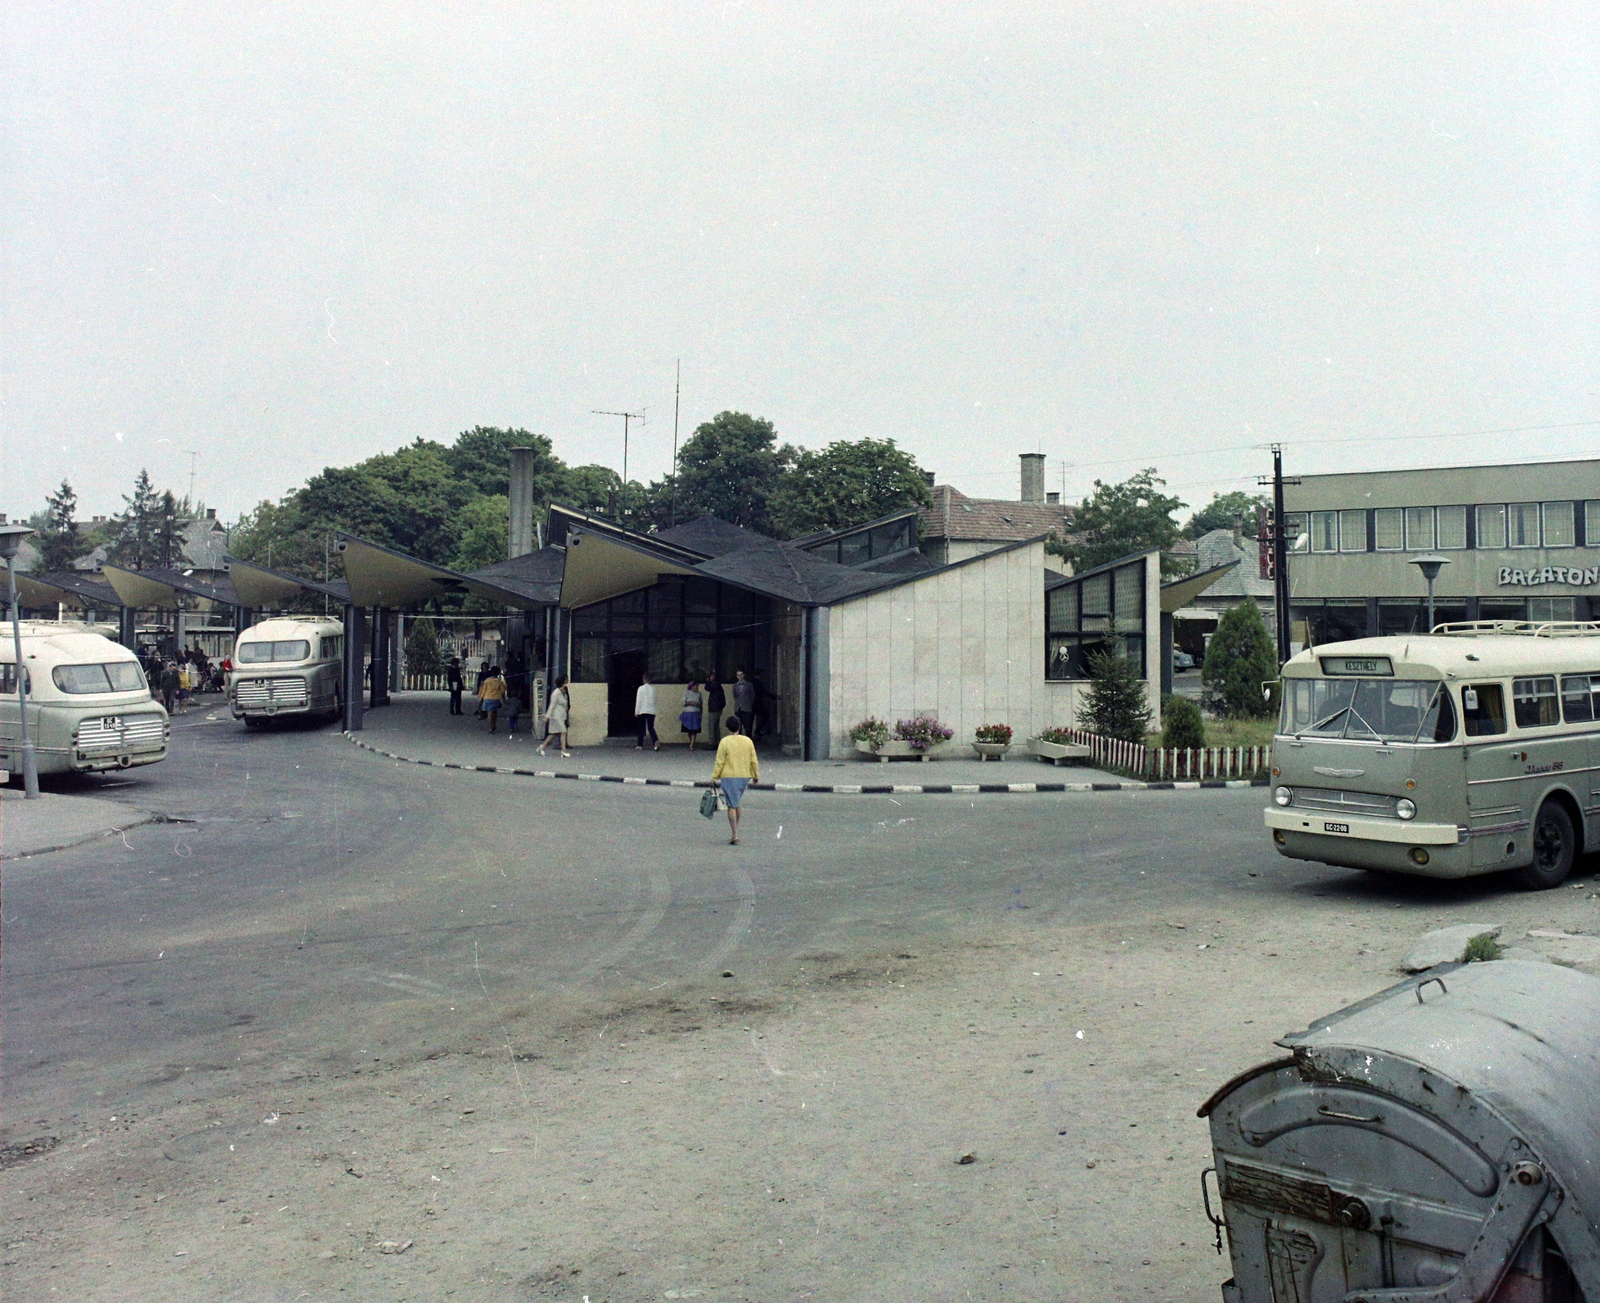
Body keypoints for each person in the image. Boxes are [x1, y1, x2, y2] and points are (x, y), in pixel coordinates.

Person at [710, 714, 759, 845]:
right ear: (740, 727)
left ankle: (735, 835)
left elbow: (719, 761)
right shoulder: (747, 741)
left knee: (731, 805)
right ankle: (736, 829)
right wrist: (755, 775)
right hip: (744, 776)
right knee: (736, 802)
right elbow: (753, 760)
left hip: (729, 776)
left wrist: (714, 776)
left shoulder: (724, 742)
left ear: (728, 728)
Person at [539, 674, 571, 757]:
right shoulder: (556, 693)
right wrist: (547, 716)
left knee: (553, 734)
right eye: (566, 679)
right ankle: (563, 751)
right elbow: (552, 705)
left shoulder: (564, 692)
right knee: (563, 731)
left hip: (561, 715)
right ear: (563, 681)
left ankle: (542, 747)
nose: (567, 680)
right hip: (556, 716)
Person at [634, 671, 658, 750]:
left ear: (644, 679)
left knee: (641, 727)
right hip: (651, 710)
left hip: (642, 710)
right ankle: (655, 741)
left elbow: (639, 701)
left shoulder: (641, 688)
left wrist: (636, 711)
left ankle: (640, 745)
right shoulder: (653, 689)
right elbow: (655, 700)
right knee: (650, 727)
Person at [478, 665, 506, 732]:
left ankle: (491, 726)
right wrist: (503, 698)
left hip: (487, 698)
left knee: (489, 713)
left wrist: (481, 698)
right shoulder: (499, 681)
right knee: (494, 712)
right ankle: (494, 724)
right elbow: (503, 691)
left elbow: (483, 690)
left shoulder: (487, 681)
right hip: (496, 698)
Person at [680, 680, 704, 750]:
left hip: (696, 712)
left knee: (694, 730)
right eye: (696, 686)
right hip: (688, 713)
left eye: (698, 686)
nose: (697, 687)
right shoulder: (686, 693)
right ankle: (691, 741)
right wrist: (690, 703)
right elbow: (683, 703)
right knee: (689, 730)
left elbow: (701, 703)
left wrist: (699, 706)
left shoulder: (699, 694)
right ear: (692, 686)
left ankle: (691, 744)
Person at [732, 669, 756, 738]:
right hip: (738, 708)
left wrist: (749, 704)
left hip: (747, 708)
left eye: (741, 674)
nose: (740, 676)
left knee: (747, 726)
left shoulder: (749, 684)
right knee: (738, 726)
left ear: (744, 675)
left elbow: (752, 696)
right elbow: (735, 695)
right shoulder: (735, 685)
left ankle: (748, 740)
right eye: (738, 675)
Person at [704, 673, 726, 746]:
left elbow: (707, 688)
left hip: (714, 708)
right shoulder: (719, 686)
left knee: (712, 726)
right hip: (718, 708)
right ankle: (717, 742)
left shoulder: (715, 686)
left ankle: (712, 743)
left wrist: (708, 681)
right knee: (716, 726)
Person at [503, 671, 523, 739]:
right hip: (516, 712)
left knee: (511, 721)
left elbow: (506, 703)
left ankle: (512, 728)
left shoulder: (510, 700)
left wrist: (503, 700)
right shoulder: (519, 701)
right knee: (515, 720)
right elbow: (520, 707)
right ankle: (516, 727)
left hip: (510, 712)